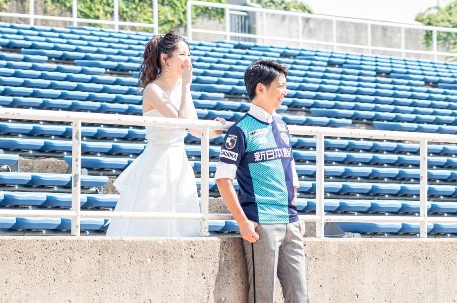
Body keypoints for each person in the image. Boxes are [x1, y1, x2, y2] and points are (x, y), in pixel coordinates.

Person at [106, 30, 225, 237]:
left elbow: (195, 128)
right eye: (182, 55)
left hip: (179, 161)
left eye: (189, 55)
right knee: (151, 220)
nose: (187, 60)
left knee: (183, 221)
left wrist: (216, 129)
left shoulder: (182, 88)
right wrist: (187, 86)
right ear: (165, 59)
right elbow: (180, 121)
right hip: (156, 162)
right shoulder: (153, 90)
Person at [216, 59, 309, 303]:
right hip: (262, 225)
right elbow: (223, 179)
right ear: (260, 88)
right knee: (262, 298)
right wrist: (243, 222)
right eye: (280, 86)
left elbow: (291, 171)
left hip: (290, 223)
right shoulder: (240, 130)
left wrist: (296, 214)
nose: (285, 91)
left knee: (300, 297)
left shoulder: (282, 125)